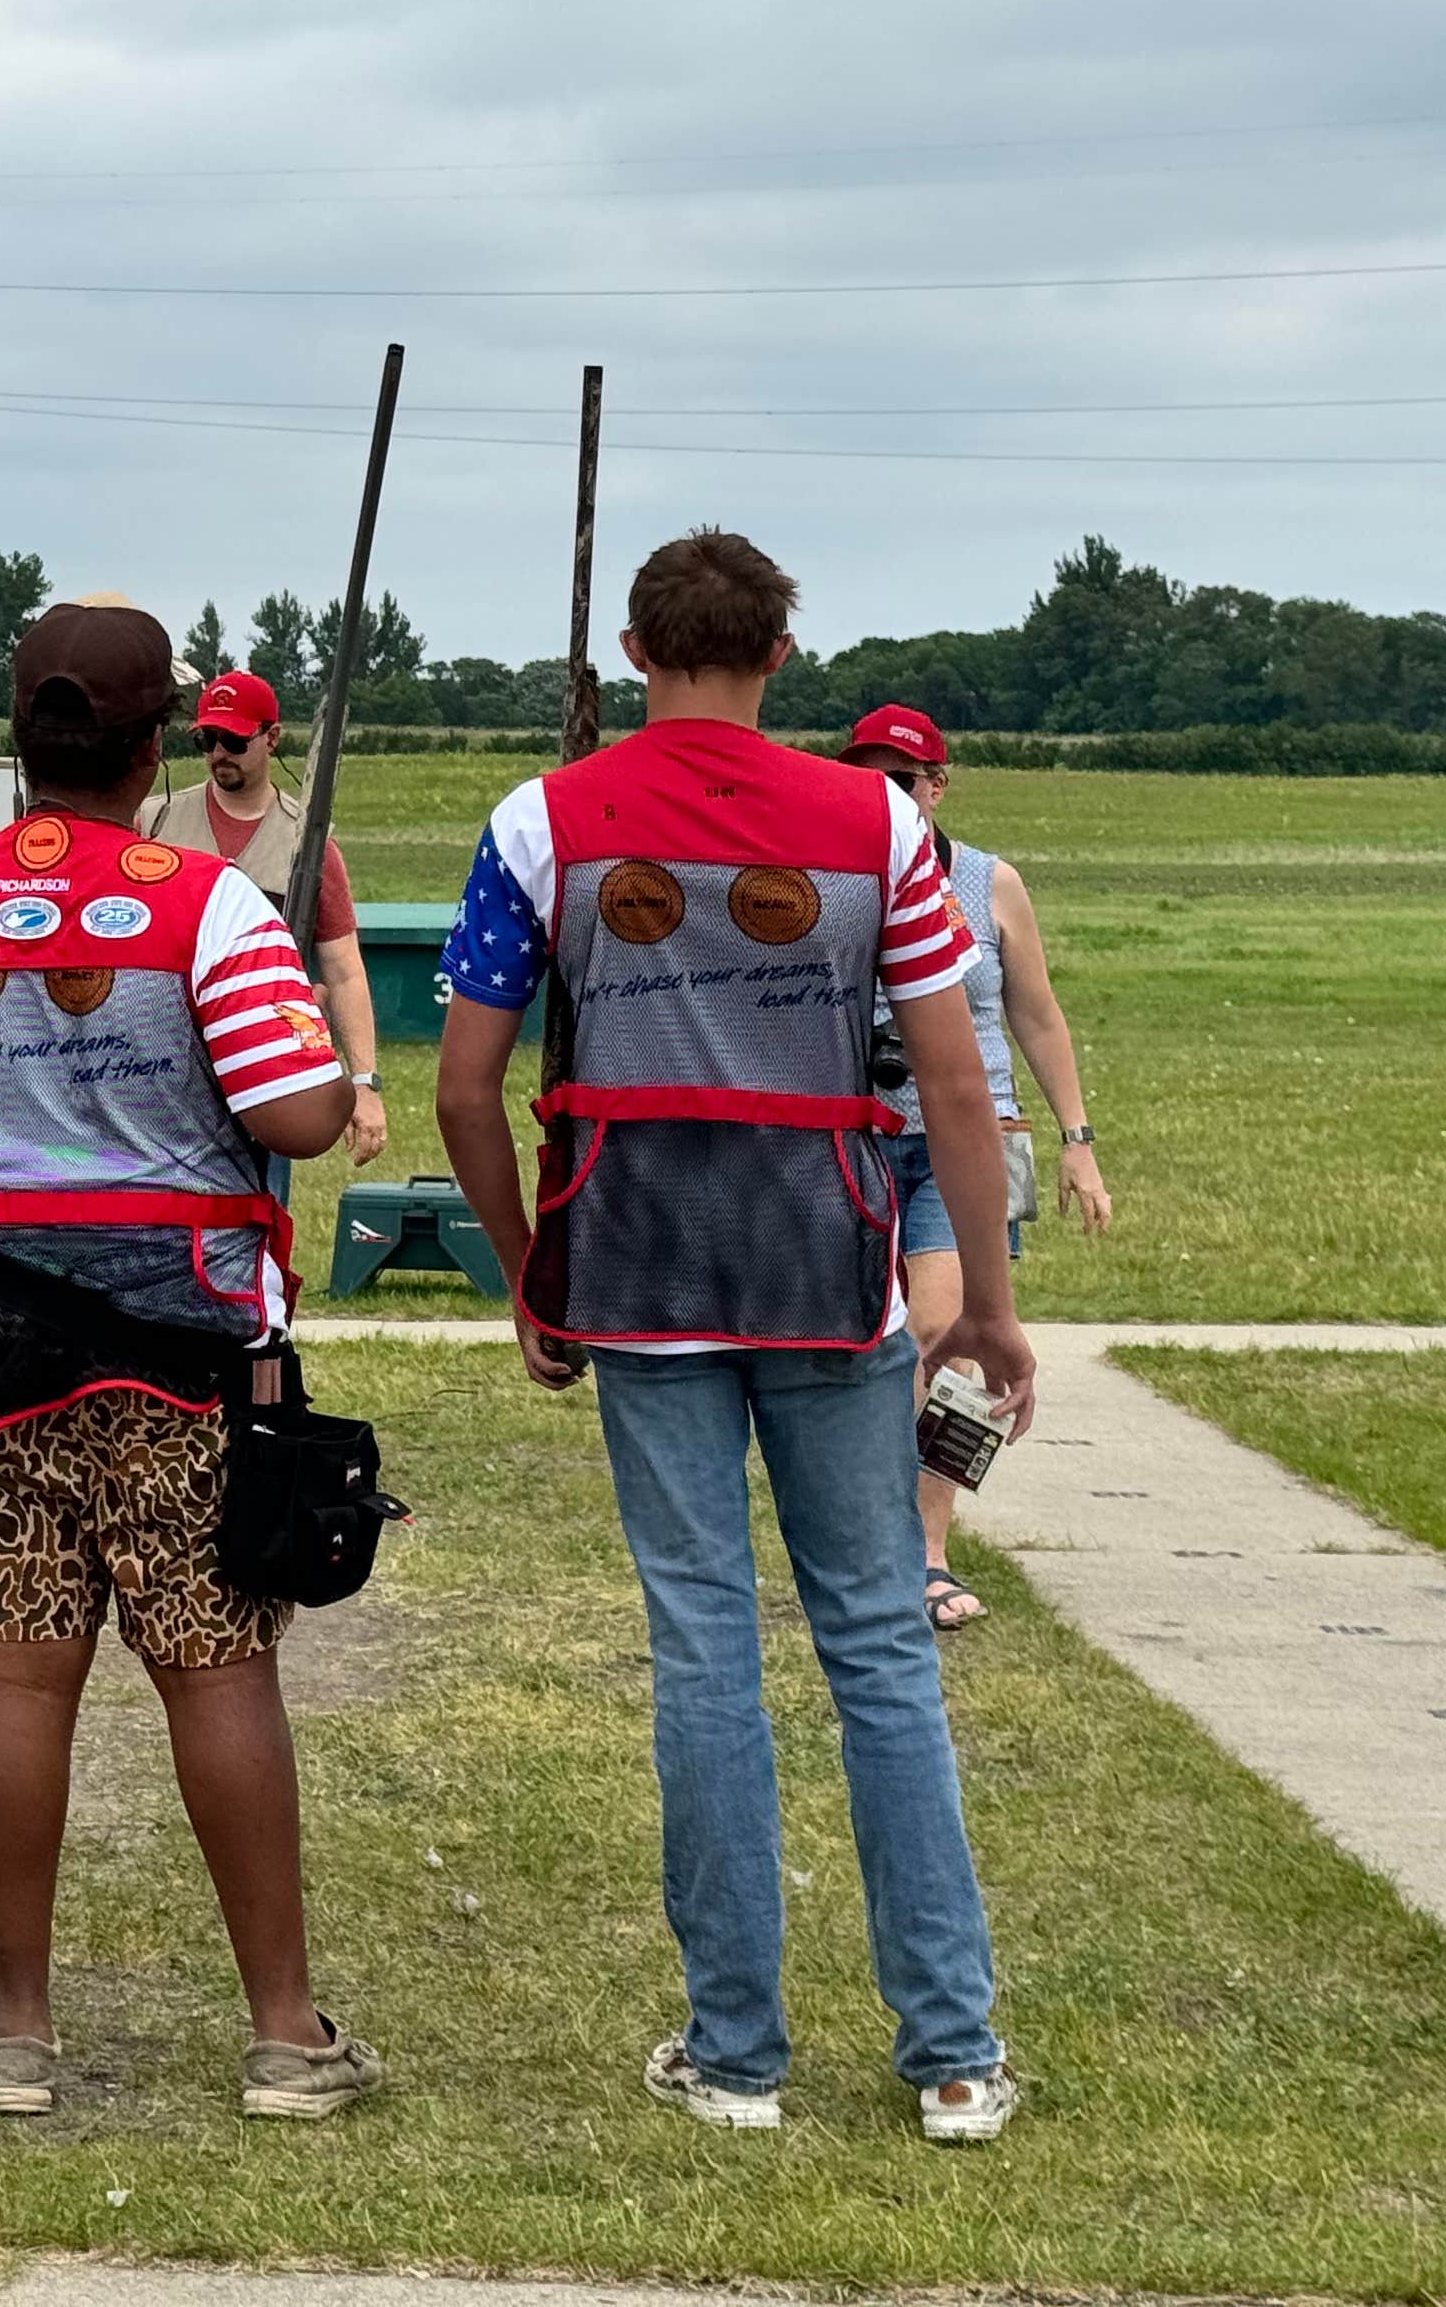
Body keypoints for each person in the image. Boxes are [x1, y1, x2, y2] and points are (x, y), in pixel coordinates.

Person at [430, 530, 1032, 2145]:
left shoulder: (535, 820)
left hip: (633, 1271)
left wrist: (523, 1268)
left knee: (703, 1646)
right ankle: (952, 2050)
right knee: (879, 1644)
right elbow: (956, 1081)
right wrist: (984, 1291)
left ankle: (736, 2052)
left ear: (634, 647)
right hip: (825, 1264)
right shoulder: (879, 821)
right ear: (780, 651)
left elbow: (461, 1082)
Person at [0, 597, 383, 2124]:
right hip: (185, 1361)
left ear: (19, 736)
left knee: (11, 1676)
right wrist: (333, 1071)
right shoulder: (205, 908)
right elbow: (293, 1118)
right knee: (217, 1669)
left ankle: (17, 2030)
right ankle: (286, 2035)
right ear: (156, 745)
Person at [838, 704, 1109, 1632]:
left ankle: (926, 1551)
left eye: (904, 780)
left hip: (972, 1145)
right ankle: (867, 1534)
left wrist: (1078, 1143)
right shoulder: (835, 880)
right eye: (868, 778)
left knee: (947, 1337)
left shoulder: (991, 883)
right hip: (861, 1138)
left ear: (938, 785)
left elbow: (1036, 1014)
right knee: (869, 1351)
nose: (890, 795)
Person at [139, 667, 391, 1167]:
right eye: (206, 740)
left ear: (272, 738)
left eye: (232, 739)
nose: (217, 754)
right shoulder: (154, 821)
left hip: (264, 1066)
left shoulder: (311, 843)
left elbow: (343, 971)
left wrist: (364, 1084)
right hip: (162, 1066)